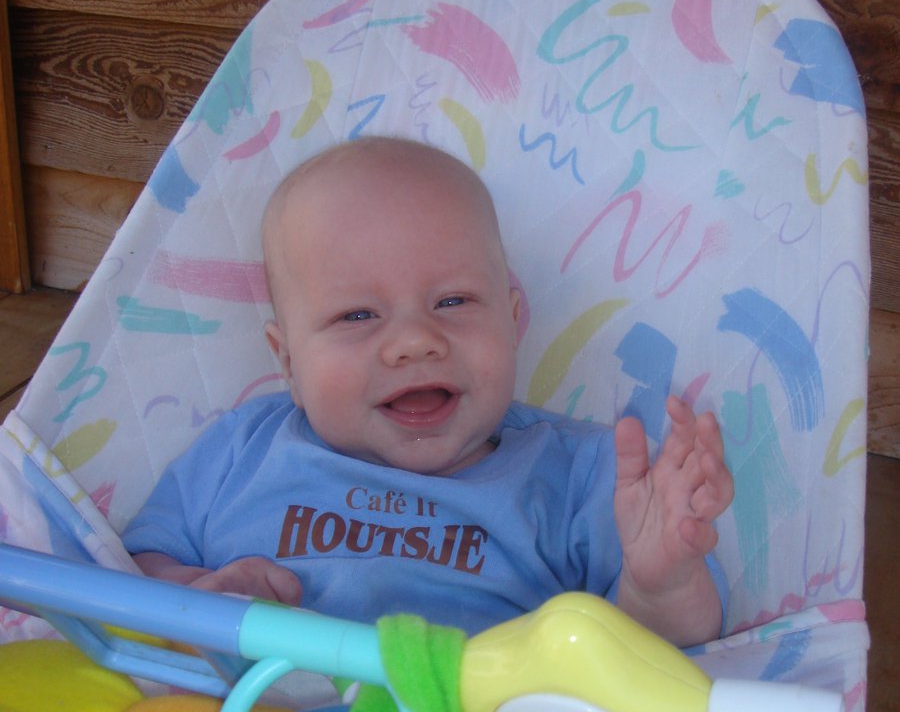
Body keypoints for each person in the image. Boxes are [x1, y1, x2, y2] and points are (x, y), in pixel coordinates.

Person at [125, 137, 733, 646]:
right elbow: (130, 571)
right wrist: (195, 599)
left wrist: (661, 587)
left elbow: (664, 660)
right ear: (287, 360)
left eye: (453, 302)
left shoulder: (581, 475)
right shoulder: (243, 450)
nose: (415, 342)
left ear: (513, 321)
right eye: (357, 316)